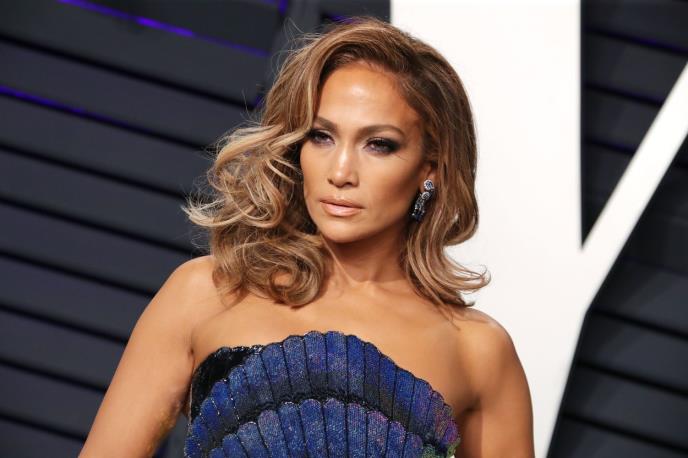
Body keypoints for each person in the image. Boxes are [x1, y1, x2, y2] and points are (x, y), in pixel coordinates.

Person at [80, 16, 534, 458]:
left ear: (429, 168)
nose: (341, 172)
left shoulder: (478, 352)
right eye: (321, 137)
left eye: (378, 144)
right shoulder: (206, 293)